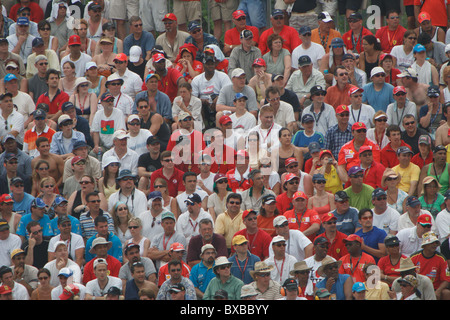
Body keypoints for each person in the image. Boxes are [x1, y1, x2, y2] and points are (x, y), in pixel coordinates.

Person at [410, 231, 450, 299]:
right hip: (417, 288)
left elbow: (446, 279)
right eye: (432, 243)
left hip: (434, 289)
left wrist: (438, 291)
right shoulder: (414, 257)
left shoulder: (441, 259)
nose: (434, 245)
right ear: (424, 245)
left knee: (446, 293)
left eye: (436, 243)